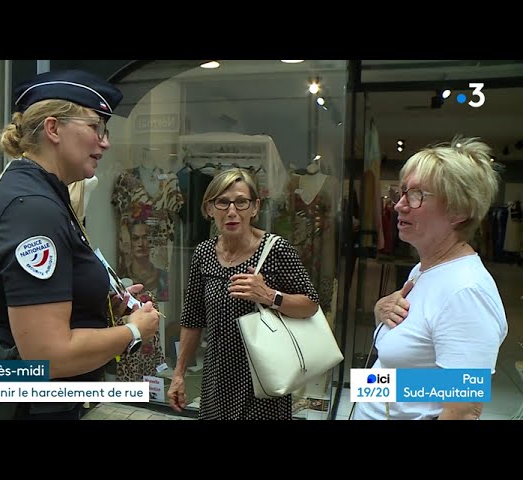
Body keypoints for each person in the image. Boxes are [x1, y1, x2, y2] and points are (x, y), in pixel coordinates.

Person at [0, 69, 160, 420]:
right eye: (96, 127)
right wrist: (133, 331)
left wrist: (100, 303)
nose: (105, 142)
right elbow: (48, 355)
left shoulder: (41, 192)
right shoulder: (35, 208)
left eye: (106, 131)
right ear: (53, 129)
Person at [352, 136, 508, 420]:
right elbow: (426, 377)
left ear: (459, 211)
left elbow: (463, 408)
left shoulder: (466, 292)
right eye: (402, 192)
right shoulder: (426, 268)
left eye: (416, 195)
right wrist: (366, 390)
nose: (400, 205)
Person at [166, 167, 320, 420]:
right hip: (217, 380)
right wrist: (179, 373)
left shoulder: (276, 250)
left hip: (264, 379)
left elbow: (310, 305)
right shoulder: (204, 253)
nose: (232, 211)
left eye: (241, 202)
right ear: (209, 209)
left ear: (255, 207)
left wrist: (270, 296)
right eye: (222, 202)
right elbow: (192, 318)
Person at [125, 220, 169, 301]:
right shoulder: (123, 276)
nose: (141, 244)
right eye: (135, 238)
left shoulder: (163, 277)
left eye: (145, 238)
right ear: (130, 241)